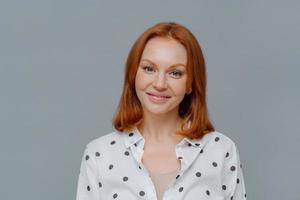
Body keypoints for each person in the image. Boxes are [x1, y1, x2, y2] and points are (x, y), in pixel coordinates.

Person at [76, 22, 247, 200]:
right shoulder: (99, 155)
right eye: (149, 69)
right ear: (133, 74)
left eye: (175, 73)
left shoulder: (220, 150)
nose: (159, 84)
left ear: (191, 84)